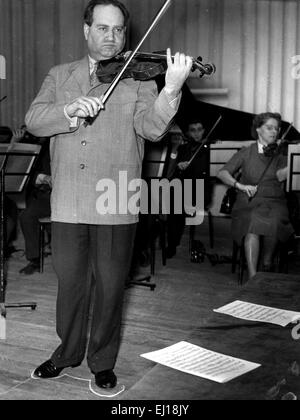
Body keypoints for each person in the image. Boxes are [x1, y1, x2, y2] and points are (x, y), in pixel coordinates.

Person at [25, 0, 193, 389]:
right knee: (71, 286)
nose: (111, 37)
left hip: (116, 197)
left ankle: (102, 361)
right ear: (86, 31)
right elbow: (34, 120)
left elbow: (152, 129)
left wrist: (171, 88)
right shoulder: (59, 75)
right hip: (68, 200)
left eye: (118, 30)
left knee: (111, 286)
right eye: (102, 28)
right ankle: (66, 353)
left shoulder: (139, 79)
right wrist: (68, 110)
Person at [218, 112, 294, 280]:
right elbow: (223, 173)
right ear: (258, 130)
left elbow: (281, 176)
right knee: (252, 220)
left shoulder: (281, 154)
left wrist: (291, 159)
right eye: (269, 128)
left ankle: (266, 264)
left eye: (276, 128)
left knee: (274, 220)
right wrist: (240, 186)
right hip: (248, 202)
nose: (274, 132)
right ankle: (253, 279)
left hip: (275, 202)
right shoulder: (247, 152)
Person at [166, 119, 211, 259]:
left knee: (176, 203)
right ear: (187, 133)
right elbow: (170, 172)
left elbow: (206, 173)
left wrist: (191, 166)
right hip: (184, 190)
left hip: (200, 190)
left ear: (204, 131)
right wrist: (178, 162)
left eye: (200, 129)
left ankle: (172, 242)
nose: (197, 133)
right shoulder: (184, 148)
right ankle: (172, 244)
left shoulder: (209, 149)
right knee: (174, 201)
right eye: (193, 130)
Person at [19, 138, 51, 275]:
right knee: (26, 215)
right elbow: (29, 173)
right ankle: (34, 259)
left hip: (70, 194)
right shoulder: (40, 145)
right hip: (47, 195)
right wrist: (44, 178)